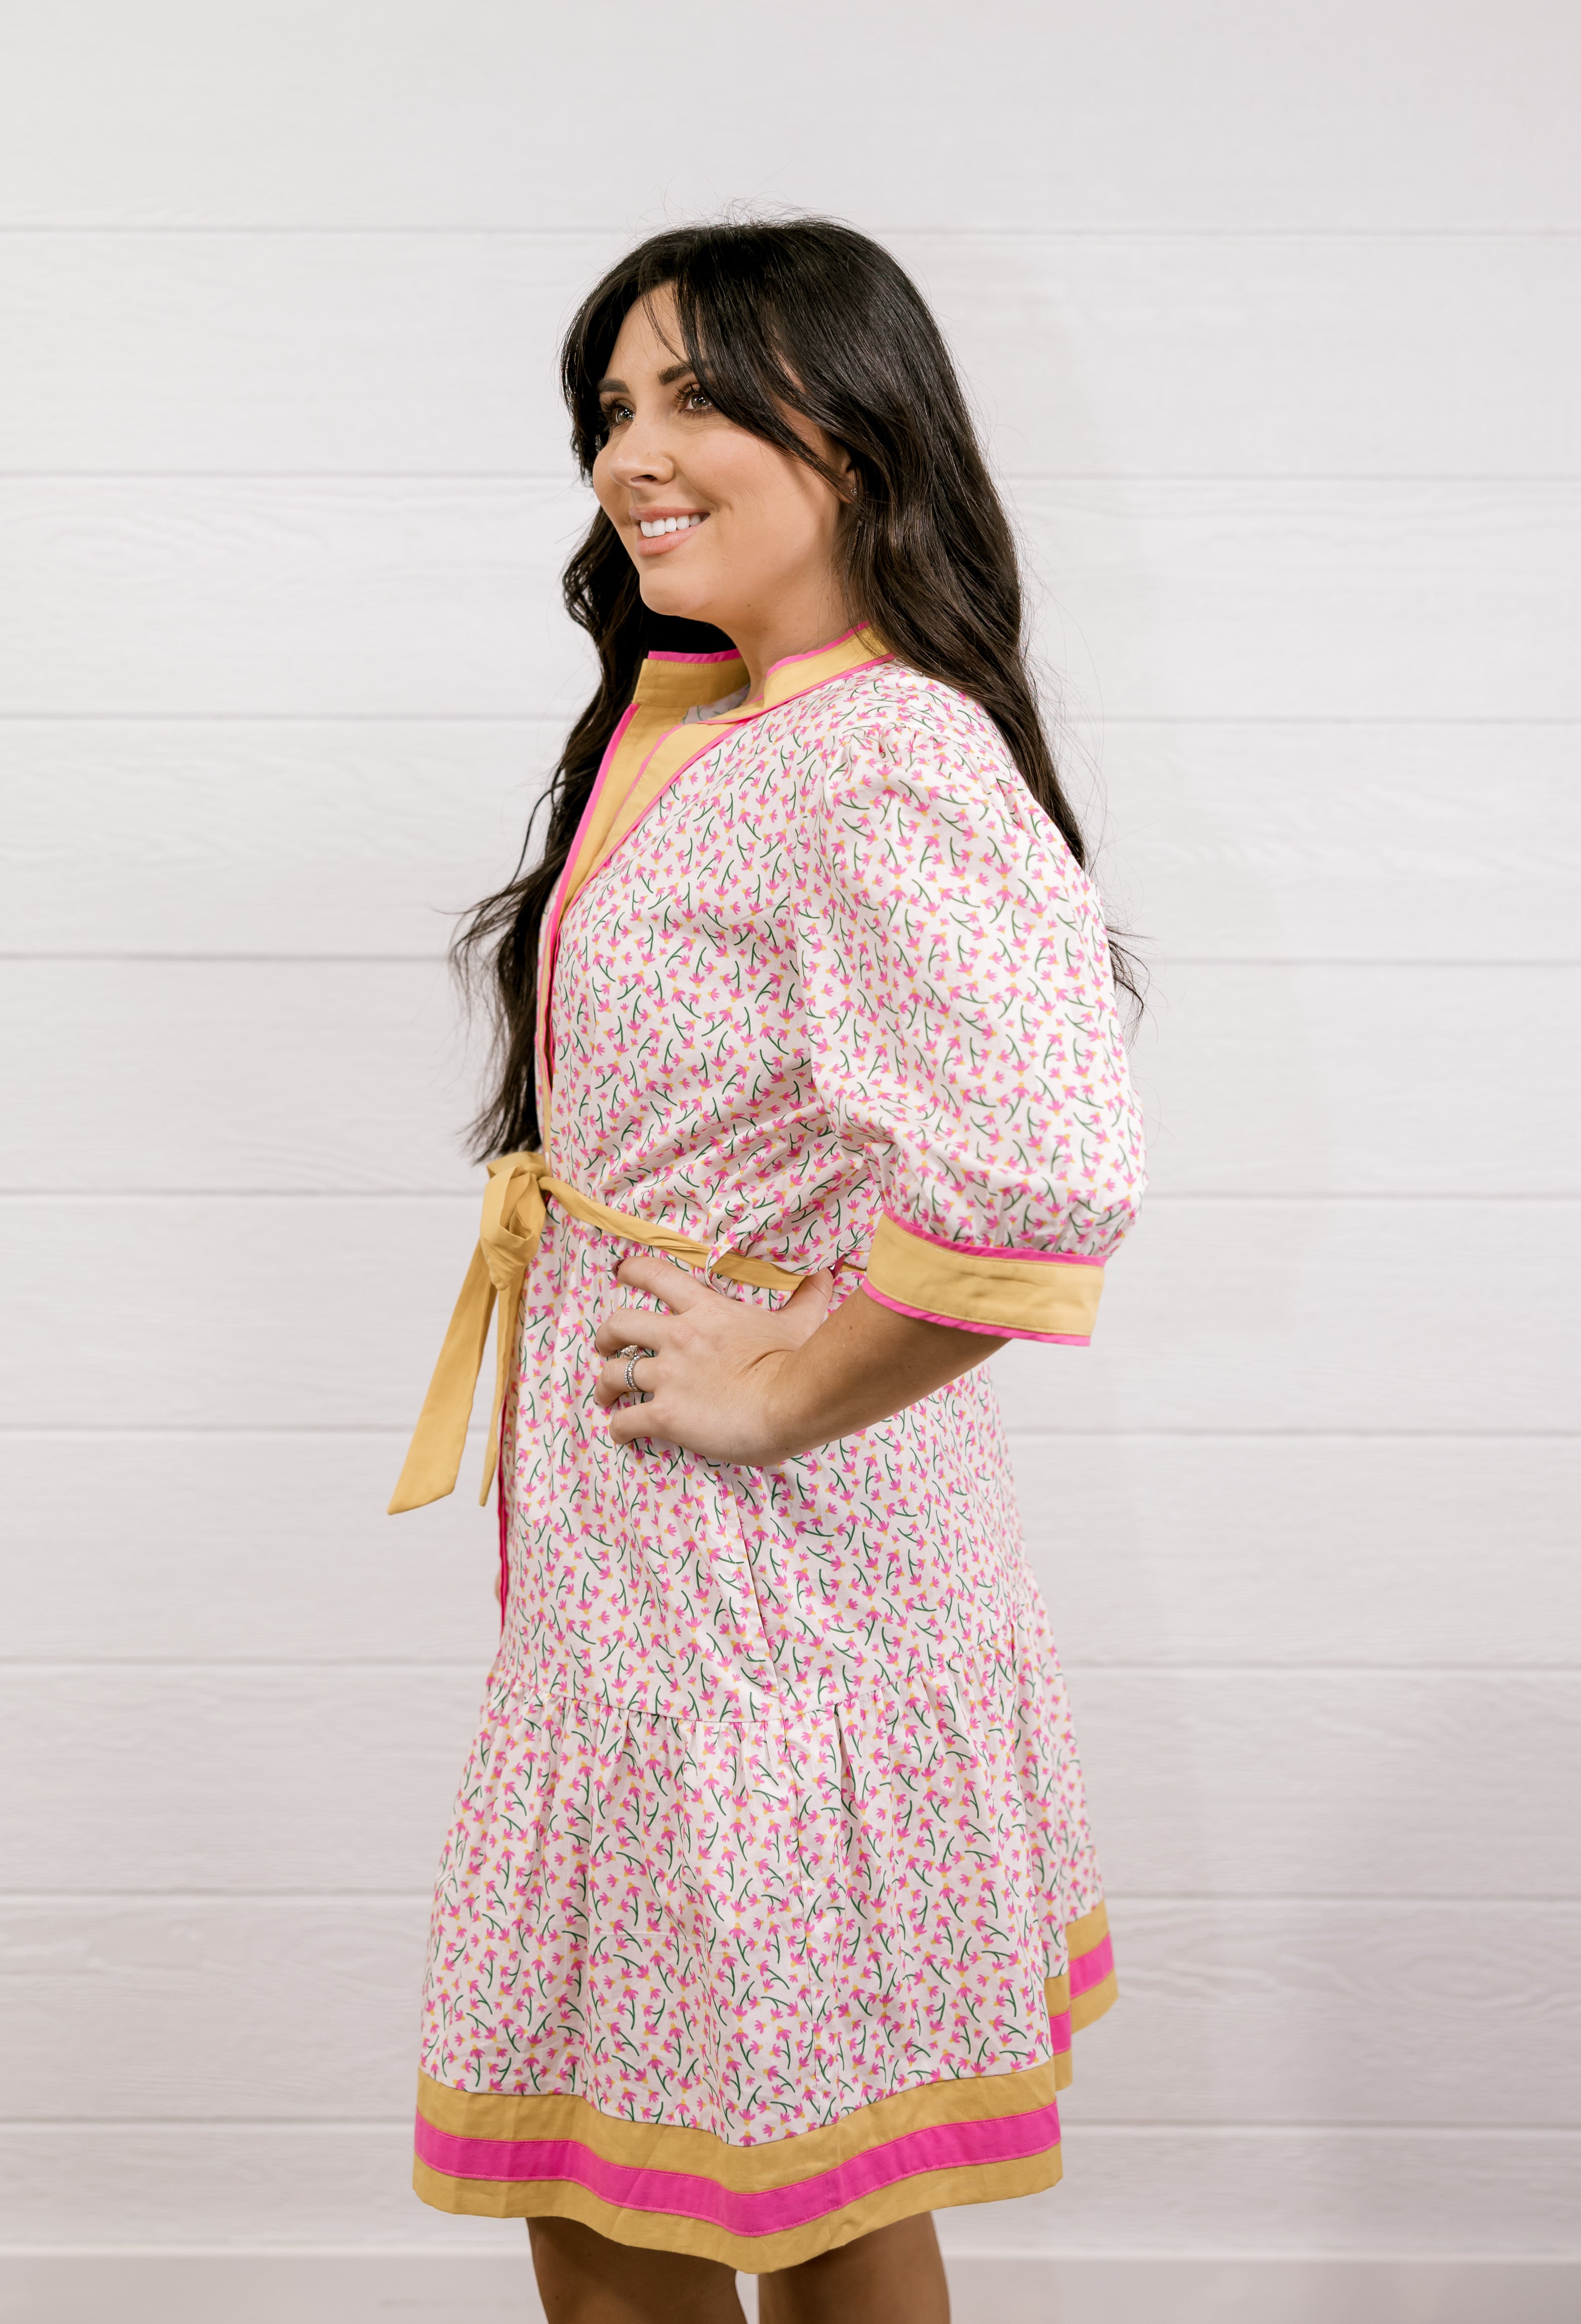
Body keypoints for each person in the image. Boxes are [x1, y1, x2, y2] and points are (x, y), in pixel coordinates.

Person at [389, 218, 1145, 2323]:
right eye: (614, 403)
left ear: (863, 425)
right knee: (789, 2156)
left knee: (636, 2173)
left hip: (758, 1589)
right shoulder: (713, 710)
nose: (638, 446)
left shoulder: (879, 749)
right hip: (678, 1579)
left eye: (702, 392)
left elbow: (1051, 1161)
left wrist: (785, 1385)